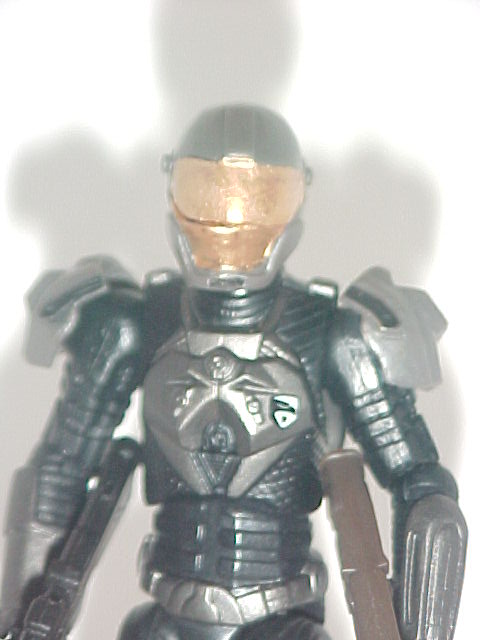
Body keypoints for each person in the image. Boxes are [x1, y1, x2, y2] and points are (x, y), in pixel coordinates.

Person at [0, 105, 466, 640]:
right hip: (164, 617)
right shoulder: (135, 324)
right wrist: (19, 617)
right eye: (207, 192)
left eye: (259, 197)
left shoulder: (334, 336)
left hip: (280, 621)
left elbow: (422, 489)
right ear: (174, 189)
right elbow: (59, 471)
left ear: (293, 200)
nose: (229, 220)